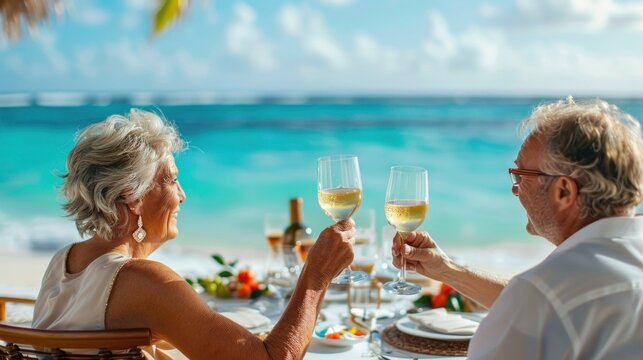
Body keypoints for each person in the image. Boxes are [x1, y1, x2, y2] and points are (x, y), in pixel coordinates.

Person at [32, 109, 356, 359]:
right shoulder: (144, 281)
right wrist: (316, 275)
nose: (183, 195)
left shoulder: (63, 260)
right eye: (171, 180)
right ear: (133, 197)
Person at [392, 97, 643, 359]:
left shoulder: (542, 295)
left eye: (522, 175)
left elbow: (542, 303)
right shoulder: (555, 293)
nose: (515, 189)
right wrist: (447, 270)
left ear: (564, 191)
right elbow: (554, 307)